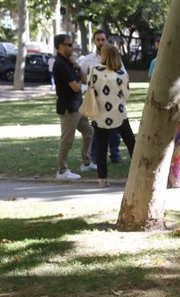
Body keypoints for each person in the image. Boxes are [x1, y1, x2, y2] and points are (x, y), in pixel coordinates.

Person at [88, 43, 136, 187]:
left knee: (101, 146)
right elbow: (126, 95)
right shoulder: (122, 74)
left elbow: (90, 88)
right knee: (131, 143)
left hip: (100, 113)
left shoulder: (94, 70)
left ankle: (102, 179)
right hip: (118, 113)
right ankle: (137, 174)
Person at [149, 35, 180, 188]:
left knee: (177, 143)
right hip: (165, 108)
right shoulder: (156, 62)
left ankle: (176, 177)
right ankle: (168, 177)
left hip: (176, 108)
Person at [52, 33, 94, 181]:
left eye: (72, 44)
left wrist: (76, 64)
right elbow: (76, 87)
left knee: (89, 131)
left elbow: (83, 78)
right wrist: (86, 87)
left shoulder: (69, 62)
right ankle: (62, 171)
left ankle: (86, 162)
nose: (72, 47)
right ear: (60, 47)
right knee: (67, 140)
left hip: (78, 106)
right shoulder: (60, 64)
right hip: (68, 108)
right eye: (69, 45)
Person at [79, 29, 123, 165]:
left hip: (114, 100)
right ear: (94, 41)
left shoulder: (115, 58)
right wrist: (88, 89)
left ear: (107, 40)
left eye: (103, 39)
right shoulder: (87, 60)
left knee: (115, 130)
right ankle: (95, 156)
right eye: (98, 40)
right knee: (97, 129)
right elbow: (80, 77)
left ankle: (115, 155)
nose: (100, 42)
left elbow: (123, 74)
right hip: (97, 101)